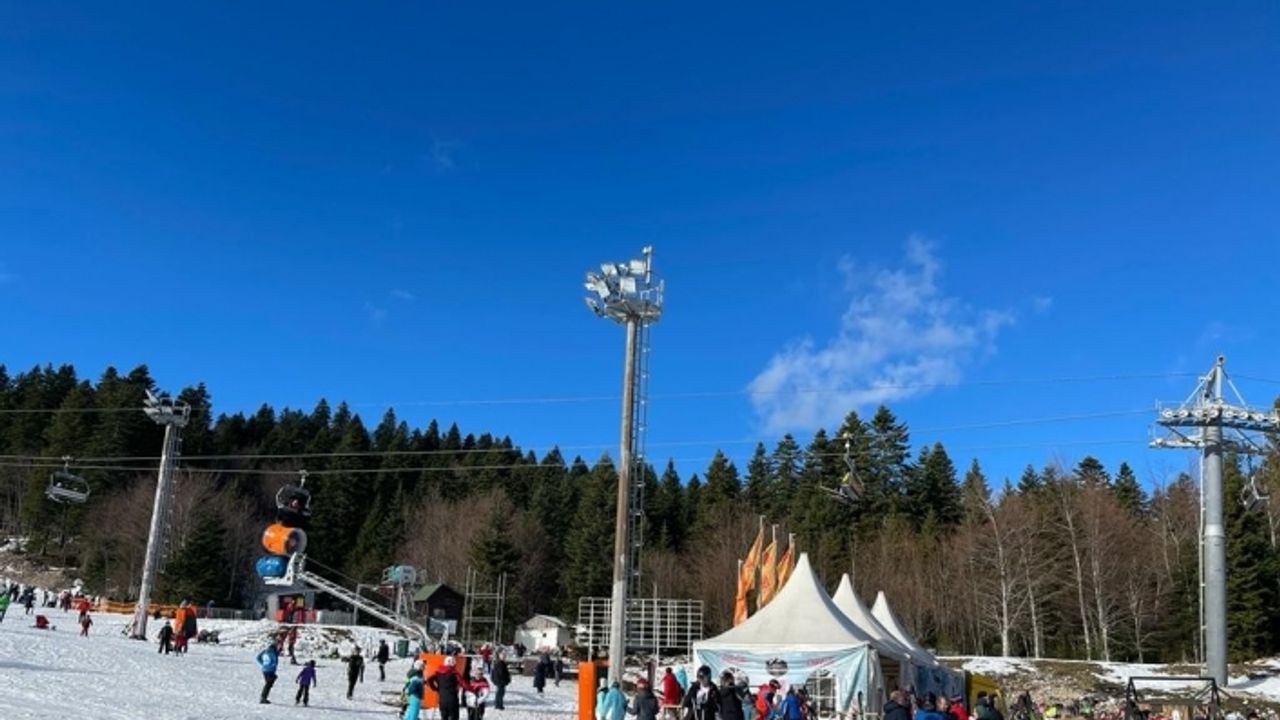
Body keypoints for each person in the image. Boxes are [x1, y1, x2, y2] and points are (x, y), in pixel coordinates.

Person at [429, 655, 464, 720]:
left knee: (444, 717)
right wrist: (472, 689)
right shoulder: (454, 673)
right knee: (454, 717)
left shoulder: (438, 672)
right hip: (452, 699)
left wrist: (435, 688)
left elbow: (429, 679)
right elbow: (463, 683)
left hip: (442, 699)